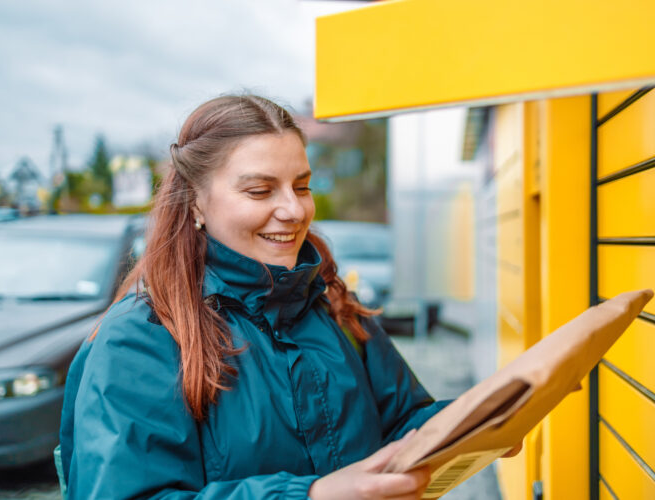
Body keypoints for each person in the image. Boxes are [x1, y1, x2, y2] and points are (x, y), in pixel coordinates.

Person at [59, 95, 515, 500]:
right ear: (195, 203)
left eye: (302, 186)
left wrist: (473, 421)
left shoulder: (333, 306)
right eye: (260, 190)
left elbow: (402, 421)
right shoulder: (140, 338)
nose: (295, 210)